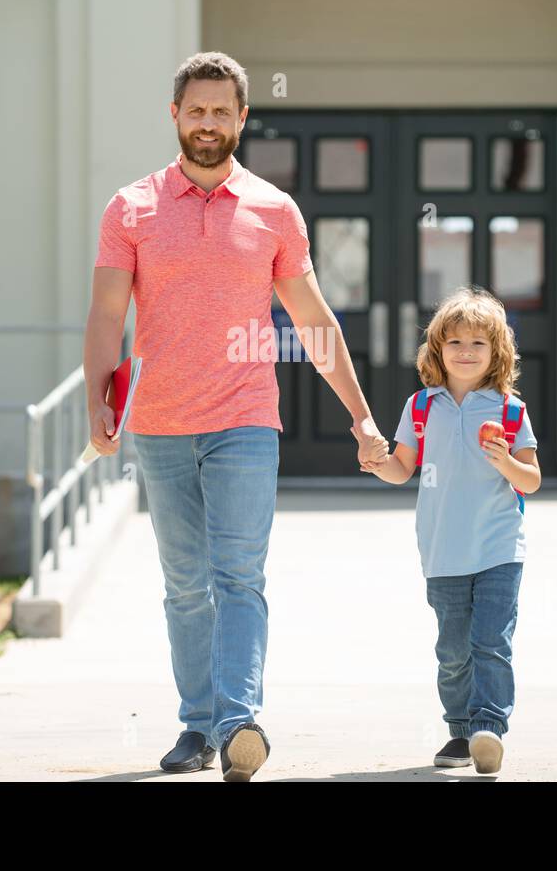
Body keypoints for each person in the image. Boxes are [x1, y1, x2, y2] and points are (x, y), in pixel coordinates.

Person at [83, 51, 389, 782]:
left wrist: (362, 416)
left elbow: (314, 320)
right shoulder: (131, 208)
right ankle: (197, 727)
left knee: (239, 575)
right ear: (175, 116)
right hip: (157, 423)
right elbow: (106, 313)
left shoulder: (274, 211)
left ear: (243, 118)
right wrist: (97, 399)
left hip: (246, 419)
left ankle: (238, 721)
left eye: (223, 112)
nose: (210, 124)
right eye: (198, 111)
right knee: (185, 582)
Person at [361, 285, 540, 774]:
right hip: (441, 550)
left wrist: (506, 461)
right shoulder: (421, 407)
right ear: (438, 349)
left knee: (492, 643)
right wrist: (377, 464)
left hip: (501, 546)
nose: (465, 352)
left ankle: (489, 730)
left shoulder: (509, 410)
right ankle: (460, 732)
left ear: (496, 352)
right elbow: (402, 468)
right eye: (455, 342)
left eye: (478, 344)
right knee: (453, 651)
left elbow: (532, 478)